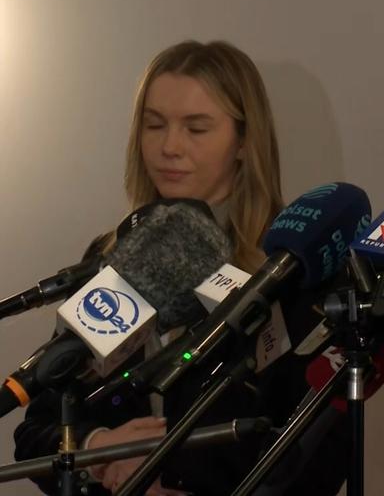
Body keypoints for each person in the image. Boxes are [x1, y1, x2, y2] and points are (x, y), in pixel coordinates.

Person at [13, 40, 348, 495]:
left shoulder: (292, 267)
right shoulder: (111, 257)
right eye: (155, 125)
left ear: (244, 141)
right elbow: (37, 431)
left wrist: (169, 477)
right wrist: (98, 449)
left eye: (196, 128)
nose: (169, 147)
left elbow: (317, 457)